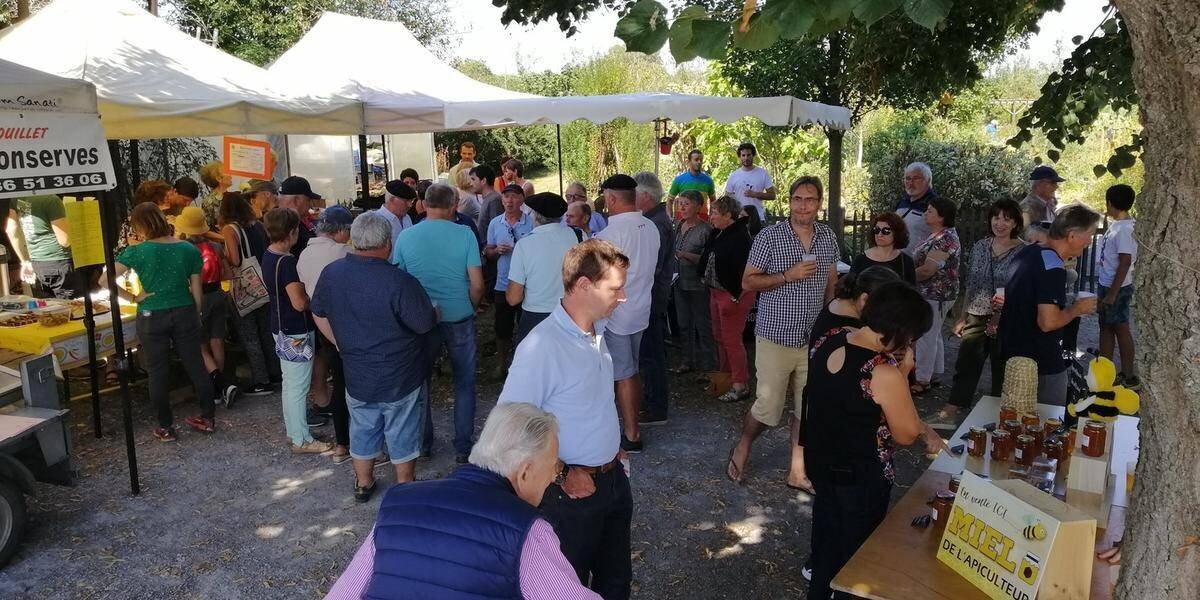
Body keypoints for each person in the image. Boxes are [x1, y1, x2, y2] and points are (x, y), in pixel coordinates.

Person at [323, 403, 601, 600]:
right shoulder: (526, 530)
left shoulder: (399, 503)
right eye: (553, 469)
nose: (553, 478)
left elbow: (343, 594)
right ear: (525, 472)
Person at [498, 239, 634, 600]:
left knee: (616, 582)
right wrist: (561, 473)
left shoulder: (595, 332)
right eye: (615, 289)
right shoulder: (542, 345)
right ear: (584, 285)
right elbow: (510, 424)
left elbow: (591, 402)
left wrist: (613, 447)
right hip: (569, 495)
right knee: (564, 589)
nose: (623, 297)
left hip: (611, 481)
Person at [803, 281, 947, 600]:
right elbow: (905, 434)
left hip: (822, 463)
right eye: (911, 337)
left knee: (826, 541)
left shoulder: (831, 338)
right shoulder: (883, 372)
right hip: (861, 477)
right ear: (901, 331)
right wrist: (904, 373)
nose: (910, 343)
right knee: (857, 557)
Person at [312, 211, 437, 500]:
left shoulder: (332, 273)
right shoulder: (400, 281)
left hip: (357, 371)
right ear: (387, 243)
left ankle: (363, 483)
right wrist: (436, 313)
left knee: (362, 426)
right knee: (402, 428)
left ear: (354, 241)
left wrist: (339, 343)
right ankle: (404, 486)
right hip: (400, 373)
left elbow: (318, 312)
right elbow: (423, 324)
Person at [727, 176, 839, 488]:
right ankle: (743, 445)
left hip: (812, 338)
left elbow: (831, 281)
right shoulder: (769, 237)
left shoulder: (828, 237)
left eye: (810, 199)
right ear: (789, 202)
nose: (803, 205)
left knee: (807, 408)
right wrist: (787, 275)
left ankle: (797, 471)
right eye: (798, 199)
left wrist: (830, 323)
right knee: (767, 407)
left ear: (819, 203)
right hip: (776, 335)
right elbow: (748, 281)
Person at [392, 183, 485, 464]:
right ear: (453, 205)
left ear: (423, 204)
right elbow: (477, 284)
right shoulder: (465, 234)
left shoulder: (406, 236)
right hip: (459, 316)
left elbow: (399, 282)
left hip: (421, 319)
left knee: (421, 382)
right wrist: (470, 306)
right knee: (465, 382)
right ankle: (463, 446)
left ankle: (423, 444)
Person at [112, 204, 215, 441]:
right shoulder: (188, 248)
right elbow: (197, 290)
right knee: (196, 365)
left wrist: (133, 297)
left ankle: (165, 426)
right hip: (184, 309)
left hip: (151, 313)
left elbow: (104, 279)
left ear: (139, 226)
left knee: (157, 371)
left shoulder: (137, 251)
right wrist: (196, 314)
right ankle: (208, 417)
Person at [932, 199, 1025, 428]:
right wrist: (963, 317)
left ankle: (1000, 420)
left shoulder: (1024, 252)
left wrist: (1002, 314)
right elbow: (972, 284)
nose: (999, 223)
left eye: (1006, 219)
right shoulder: (980, 246)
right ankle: (952, 410)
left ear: (1015, 223)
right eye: (996, 217)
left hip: (1007, 320)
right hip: (976, 314)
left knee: (1002, 370)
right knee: (966, 364)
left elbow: (1023, 289)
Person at [999, 204, 1101, 405]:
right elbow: (1048, 322)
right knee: (1048, 416)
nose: (1090, 241)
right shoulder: (1052, 267)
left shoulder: (1029, 252)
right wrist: (1077, 309)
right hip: (1040, 361)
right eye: (1089, 235)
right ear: (1072, 236)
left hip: (1015, 354)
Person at [594, 174, 660, 452]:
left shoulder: (610, 235)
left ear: (610, 198)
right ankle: (632, 422)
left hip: (618, 313)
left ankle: (632, 434)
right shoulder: (651, 226)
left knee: (624, 373)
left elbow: (600, 279)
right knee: (631, 369)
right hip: (641, 308)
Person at [261, 207, 333, 455]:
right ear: (292, 232)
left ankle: (296, 432)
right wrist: (316, 299)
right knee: (298, 386)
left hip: (280, 325)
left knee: (291, 383)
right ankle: (301, 439)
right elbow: (299, 302)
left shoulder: (269, 255)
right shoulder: (287, 262)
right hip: (295, 329)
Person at [298, 205, 355, 463]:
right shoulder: (342, 252)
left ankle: (342, 442)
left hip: (322, 323)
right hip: (347, 322)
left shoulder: (304, 254)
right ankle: (359, 442)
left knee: (339, 381)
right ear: (341, 231)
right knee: (353, 384)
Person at [175, 206, 240, 409]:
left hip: (197, 297)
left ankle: (215, 386)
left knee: (200, 344)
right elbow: (228, 273)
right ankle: (221, 387)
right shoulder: (216, 246)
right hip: (218, 295)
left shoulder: (182, 248)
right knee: (217, 341)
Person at [220, 192, 279, 396]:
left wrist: (223, 256)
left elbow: (235, 260)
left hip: (247, 286)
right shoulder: (258, 225)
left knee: (249, 334)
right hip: (265, 281)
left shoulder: (230, 229)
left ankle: (261, 381)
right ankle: (275, 373)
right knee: (266, 331)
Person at [697, 195, 754, 401]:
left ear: (728, 215)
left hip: (733, 295)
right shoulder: (719, 233)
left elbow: (747, 271)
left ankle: (740, 384)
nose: (710, 216)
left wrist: (736, 295)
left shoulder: (740, 237)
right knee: (720, 337)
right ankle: (725, 379)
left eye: (714, 213)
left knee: (731, 340)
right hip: (717, 291)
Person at [632, 171, 675, 426]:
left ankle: (657, 407)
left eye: (635, 195)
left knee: (651, 353)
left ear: (646, 196)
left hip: (652, 296)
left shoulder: (656, 223)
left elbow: (653, 266)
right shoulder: (654, 219)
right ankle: (652, 401)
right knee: (650, 352)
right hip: (652, 295)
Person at [508, 192, 578, 347]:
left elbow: (513, 298)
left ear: (535, 216)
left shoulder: (524, 245)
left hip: (536, 316)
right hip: (572, 313)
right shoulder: (578, 236)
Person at [910, 196, 961, 395]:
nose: (925, 213)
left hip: (936, 293)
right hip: (932, 293)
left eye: (930, 211)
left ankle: (922, 379)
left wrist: (903, 275)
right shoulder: (936, 235)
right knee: (935, 332)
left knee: (926, 334)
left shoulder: (945, 239)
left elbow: (928, 270)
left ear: (942, 216)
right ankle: (935, 372)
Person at [484, 184, 535, 379]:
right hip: (503, 283)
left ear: (522, 199)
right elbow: (488, 251)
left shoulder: (531, 222)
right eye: (506, 197)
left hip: (527, 284)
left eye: (514, 196)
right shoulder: (495, 223)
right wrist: (496, 251)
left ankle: (526, 365)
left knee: (526, 325)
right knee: (502, 327)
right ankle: (502, 365)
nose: (509, 201)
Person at [1097, 184, 1139, 388]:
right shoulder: (1118, 225)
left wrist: (1113, 294)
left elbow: (1125, 262)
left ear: (1110, 203)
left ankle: (1128, 375)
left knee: (1121, 328)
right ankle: (1105, 374)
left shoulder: (1125, 229)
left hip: (1117, 287)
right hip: (1106, 283)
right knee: (1106, 327)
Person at [671, 190, 716, 376]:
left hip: (698, 284)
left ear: (698, 207)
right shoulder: (678, 224)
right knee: (683, 324)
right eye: (680, 203)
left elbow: (709, 260)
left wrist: (685, 255)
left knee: (703, 325)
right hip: (679, 282)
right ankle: (686, 361)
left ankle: (708, 366)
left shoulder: (706, 230)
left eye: (687, 203)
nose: (682, 207)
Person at [10, 195, 72, 299]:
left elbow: (12, 231)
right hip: (60, 262)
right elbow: (65, 241)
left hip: (37, 265)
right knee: (72, 306)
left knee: (47, 307)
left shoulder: (17, 198)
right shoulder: (51, 200)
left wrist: (25, 262)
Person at [850, 212, 916, 283]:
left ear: (897, 233)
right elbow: (850, 287)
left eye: (886, 231)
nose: (879, 234)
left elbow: (911, 288)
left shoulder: (906, 261)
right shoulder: (860, 260)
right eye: (877, 230)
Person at [894, 162, 938, 255]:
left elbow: (943, 237)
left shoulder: (935, 205)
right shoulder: (902, 201)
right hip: (895, 259)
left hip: (920, 262)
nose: (910, 183)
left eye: (916, 178)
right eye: (908, 178)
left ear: (927, 180)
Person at [723, 142, 775, 220]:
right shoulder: (733, 175)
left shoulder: (763, 173)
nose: (746, 158)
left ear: (753, 155)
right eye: (743, 155)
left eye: (748, 155)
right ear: (739, 157)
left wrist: (756, 194)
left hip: (758, 217)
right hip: (739, 218)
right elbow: (727, 196)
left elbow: (772, 195)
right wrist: (737, 208)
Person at [277, 176, 320, 256]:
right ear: (297, 201)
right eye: (308, 200)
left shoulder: (277, 221)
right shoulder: (289, 227)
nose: (311, 205)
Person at [1021, 165, 1064, 242]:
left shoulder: (1047, 204)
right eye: (1053, 182)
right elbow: (1022, 234)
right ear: (1038, 184)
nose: (1056, 187)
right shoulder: (1028, 207)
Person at [668, 149, 715, 220]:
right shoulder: (679, 180)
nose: (699, 162)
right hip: (682, 220)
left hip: (702, 220)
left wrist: (711, 217)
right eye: (696, 160)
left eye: (701, 160)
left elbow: (713, 202)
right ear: (689, 162)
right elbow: (670, 200)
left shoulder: (708, 181)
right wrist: (670, 218)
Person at [376, 179, 416, 245]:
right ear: (392, 199)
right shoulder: (376, 221)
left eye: (411, 201)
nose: (410, 205)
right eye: (406, 201)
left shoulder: (406, 218)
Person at [198, 161, 232, 231]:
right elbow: (207, 230)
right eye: (226, 171)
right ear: (219, 178)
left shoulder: (231, 197)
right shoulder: (209, 202)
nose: (230, 174)